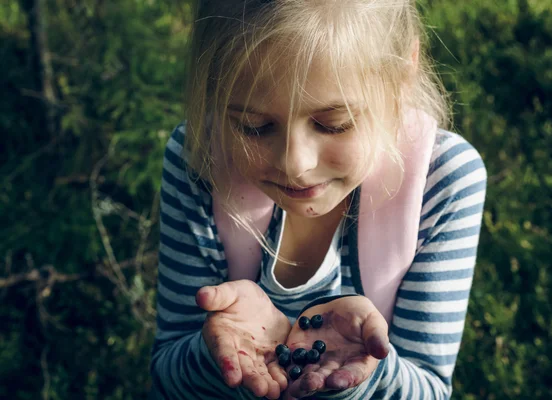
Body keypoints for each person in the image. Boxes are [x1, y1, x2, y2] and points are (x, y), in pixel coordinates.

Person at [150, 0, 487, 399]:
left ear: (403, 73)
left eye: (333, 125)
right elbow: (166, 373)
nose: (295, 163)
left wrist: (361, 376)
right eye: (254, 127)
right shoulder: (201, 158)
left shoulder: (441, 179)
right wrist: (216, 357)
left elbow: (429, 388)